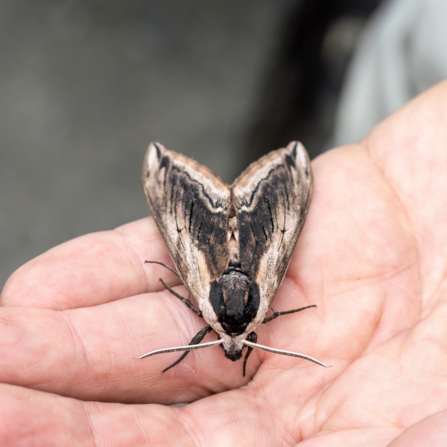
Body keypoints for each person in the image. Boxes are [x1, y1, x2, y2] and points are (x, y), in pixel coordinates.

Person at [1, 80, 447, 446]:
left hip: (212, 248)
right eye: (240, 345)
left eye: (234, 346)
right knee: (283, 227)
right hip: (254, 245)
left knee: (185, 228)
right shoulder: (244, 310)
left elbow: (209, 304)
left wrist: (181, 295)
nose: (233, 349)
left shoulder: (229, 311)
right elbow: (254, 311)